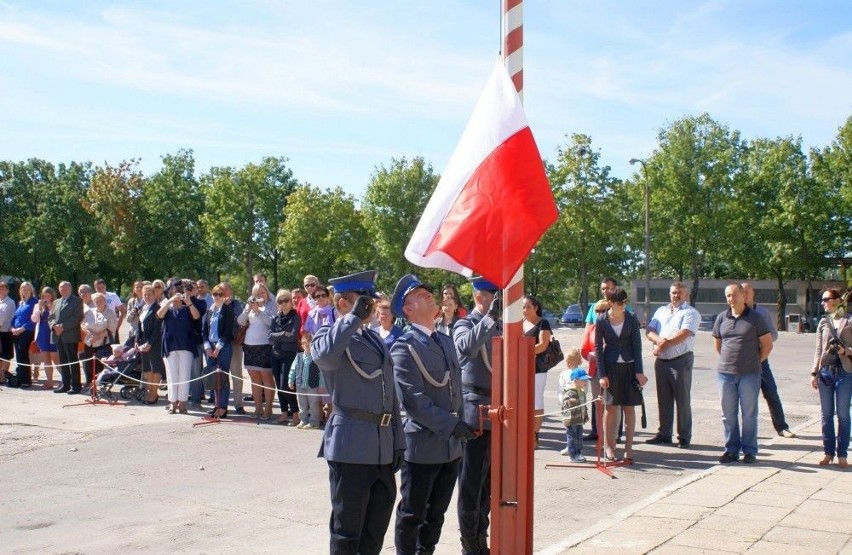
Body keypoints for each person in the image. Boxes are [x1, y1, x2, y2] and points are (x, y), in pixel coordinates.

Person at [310, 270, 404, 555]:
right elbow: (324, 357)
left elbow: (391, 396)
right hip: (351, 448)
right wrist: (351, 318)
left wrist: (398, 442)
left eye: (371, 300)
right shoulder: (329, 334)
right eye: (363, 300)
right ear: (341, 303)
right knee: (346, 532)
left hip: (382, 448)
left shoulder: (374, 339)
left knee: (374, 532)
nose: (371, 306)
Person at [389, 274, 472, 555]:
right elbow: (414, 401)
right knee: (413, 513)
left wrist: (460, 424)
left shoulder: (445, 341)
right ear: (407, 309)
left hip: (450, 447)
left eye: (428, 292)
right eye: (420, 294)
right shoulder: (404, 347)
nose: (428, 295)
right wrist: (453, 425)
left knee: (437, 514)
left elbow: (455, 391)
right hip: (422, 446)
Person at [453, 277, 501, 555]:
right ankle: (471, 543)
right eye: (490, 295)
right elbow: (467, 347)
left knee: (490, 484)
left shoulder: (500, 325)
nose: (495, 300)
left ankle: (482, 534)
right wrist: (491, 317)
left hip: (498, 411)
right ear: (477, 296)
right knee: (471, 485)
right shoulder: (465, 324)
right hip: (475, 414)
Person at [712, 283, 773, 464]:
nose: (732, 299)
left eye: (735, 295)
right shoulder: (722, 318)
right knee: (728, 415)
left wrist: (755, 361)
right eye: (728, 296)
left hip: (750, 374)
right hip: (725, 374)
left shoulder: (756, 318)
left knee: (749, 414)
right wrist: (728, 361)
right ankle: (731, 450)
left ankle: (749, 451)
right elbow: (718, 344)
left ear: (743, 296)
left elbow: (768, 344)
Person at [645, 281, 700, 449]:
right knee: (664, 400)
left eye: (679, 293)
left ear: (686, 295)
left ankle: (684, 436)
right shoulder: (661, 311)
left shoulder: (691, 313)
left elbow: (683, 334)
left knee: (682, 399)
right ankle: (664, 434)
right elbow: (649, 330)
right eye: (673, 292)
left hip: (680, 360)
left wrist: (662, 344)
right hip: (661, 361)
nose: (675, 295)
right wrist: (659, 341)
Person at [595, 287, 647, 463]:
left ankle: (629, 449)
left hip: (629, 367)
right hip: (610, 368)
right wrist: (602, 374)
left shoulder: (631, 319)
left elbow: (637, 346)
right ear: (610, 303)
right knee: (610, 408)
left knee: (629, 408)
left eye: (624, 302)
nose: (622, 306)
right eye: (618, 303)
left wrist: (639, 371)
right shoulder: (601, 320)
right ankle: (609, 446)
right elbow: (598, 349)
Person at [741, 282, 796, 439]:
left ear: (753, 293)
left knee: (771, 392)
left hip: (761, 359)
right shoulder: (735, 312)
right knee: (746, 397)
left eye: (746, 292)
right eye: (741, 292)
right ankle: (748, 431)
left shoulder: (762, 312)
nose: (744, 295)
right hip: (742, 362)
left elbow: (773, 334)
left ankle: (782, 427)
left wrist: (762, 342)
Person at [810, 288, 852, 468]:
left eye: (826, 299)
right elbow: (818, 349)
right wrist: (814, 372)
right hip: (825, 372)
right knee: (826, 415)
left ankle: (842, 455)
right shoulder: (822, 322)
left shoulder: (849, 320)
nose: (823, 302)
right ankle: (828, 453)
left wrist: (845, 351)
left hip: (845, 372)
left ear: (836, 301)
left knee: (843, 415)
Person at [157, 280, 200, 414]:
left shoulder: (187, 308)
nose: (177, 297)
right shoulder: (167, 308)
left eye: (179, 294)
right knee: (171, 375)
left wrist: (188, 302)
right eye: (175, 294)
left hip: (186, 345)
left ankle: (182, 402)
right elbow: (159, 315)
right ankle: (172, 402)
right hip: (170, 346)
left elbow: (197, 316)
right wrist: (169, 301)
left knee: (184, 375)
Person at [238, 283, 275, 420]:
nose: (259, 296)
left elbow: (272, 323)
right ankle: (258, 408)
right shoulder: (250, 307)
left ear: (267, 293)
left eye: (262, 293)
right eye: (256, 293)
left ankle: (268, 409)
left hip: (265, 346)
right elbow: (240, 321)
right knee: (255, 379)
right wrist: (248, 309)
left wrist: (258, 311)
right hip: (249, 346)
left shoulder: (271, 306)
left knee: (266, 378)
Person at [522, 294, 553, 449]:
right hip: (522, 367)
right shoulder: (521, 323)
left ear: (535, 308)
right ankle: (525, 434)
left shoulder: (543, 323)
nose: (525, 310)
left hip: (538, 368)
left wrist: (524, 351)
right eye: (523, 307)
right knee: (523, 401)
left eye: (528, 306)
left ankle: (535, 435)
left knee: (536, 400)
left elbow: (543, 345)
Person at [202, 283, 235, 419]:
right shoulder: (210, 310)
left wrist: (218, 348)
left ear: (225, 296)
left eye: (220, 294)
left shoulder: (227, 309)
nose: (217, 297)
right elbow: (204, 331)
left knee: (223, 378)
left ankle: (223, 407)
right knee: (214, 379)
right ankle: (217, 404)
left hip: (224, 347)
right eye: (215, 294)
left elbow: (228, 330)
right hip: (211, 347)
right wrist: (208, 347)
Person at [270, 289, 301, 425]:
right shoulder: (275, 318)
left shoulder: (295, 317)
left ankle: (295, 412)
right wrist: (284, 334)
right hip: (275, 354)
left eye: (286, 300)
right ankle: (283, 413)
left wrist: (278, 335)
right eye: (280, 301)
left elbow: (293, 336)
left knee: (286, 385)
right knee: (278, 385)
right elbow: (270, 336)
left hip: (289, 354)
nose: (283, 304)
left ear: (291, 301)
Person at [580, 300, 609, 442]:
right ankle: (597, 432)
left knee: (612, 403)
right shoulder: (591, 329)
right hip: (595, 370)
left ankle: (613, 434)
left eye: (603, 311)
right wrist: (589, 355)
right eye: (597, 311)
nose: (599, 314)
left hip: (611, 370)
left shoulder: (614, 327)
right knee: (597, 402)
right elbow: (584, 349)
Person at [48, 281, 84, 394]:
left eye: (65, 288)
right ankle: (65, 384)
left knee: (72, 361)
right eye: (61, 288)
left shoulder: (77, 301)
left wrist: (62, 327)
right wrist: (54, 326)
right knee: (63, 361)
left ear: (70, 289)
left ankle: (76, 386)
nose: (63, 290)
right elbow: (51, 317)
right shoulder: (56, 302)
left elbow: (77, 317)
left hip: (70, 335)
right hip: (58, 336)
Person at [81, 292, 118, 389]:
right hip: (89, 342)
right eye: (96, 301)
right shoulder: (89, 312)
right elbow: (82, 324)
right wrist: (91, 334)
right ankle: (90, 385)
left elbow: (112, 328)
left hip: (103, 343)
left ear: (105, 301)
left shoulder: (111, 313)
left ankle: (102, 384)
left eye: (100, 300)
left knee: (101, 365)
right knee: (88, 365)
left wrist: (98, 335)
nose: (98, 302)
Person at [558, 351, 591, 462]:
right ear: (576, 381)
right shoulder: (570, 390)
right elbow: (563, 396)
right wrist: (567, 402)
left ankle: (577, 451)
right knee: (572, 435)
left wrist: (585, 415)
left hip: (579, 417)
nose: (585, 382)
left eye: (569, 361)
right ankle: (573, 454)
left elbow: (584, 404)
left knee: (578, 435)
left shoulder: (581, 391)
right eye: (583, 380)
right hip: (571, 417)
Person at [136, 284, 165, 404]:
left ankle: (153, 395)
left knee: (155, 369)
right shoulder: (143, 307)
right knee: (147, 369)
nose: (146, 297)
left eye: (149, 294)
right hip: (143, 342)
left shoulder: (157, 308)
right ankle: (149, 393)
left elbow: (157, 329)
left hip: (154, 343)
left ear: (154, 295)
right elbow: (139, 326)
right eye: (144, 295)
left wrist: (149, 343)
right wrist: (137, 341)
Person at [289, 332, 324, 429]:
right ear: (302, 346)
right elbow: (293, 369)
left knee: (313, 405)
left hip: (312, 385)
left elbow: (321, 373)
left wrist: (321, 385)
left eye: (310, 346)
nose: (309, 348)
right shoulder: (299, 356)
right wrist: (291, 380)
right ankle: (303, 420)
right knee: (302, 404)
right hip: (300, 385)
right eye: (307, 346)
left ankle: (314, 422)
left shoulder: (316, 357)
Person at [10, 281, 37, 387]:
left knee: (23, 354)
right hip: (16, 332)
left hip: (27, 332)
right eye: (23, 289)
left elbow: (33, 319)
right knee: (19, 356)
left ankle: (26, 380)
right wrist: (12, 328)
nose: (25, 291)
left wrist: (22, 329)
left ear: (31, 290)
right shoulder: (21, 303)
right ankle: (20, 377)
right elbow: (15, 317)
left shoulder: (34, 301)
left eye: (27, 289)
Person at [32, 286, 60, 389]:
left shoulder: (56, 304)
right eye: (44, 296)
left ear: (52, 296)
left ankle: (67, 380)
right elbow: (34, 320)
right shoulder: (37, 305)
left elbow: (57, 318)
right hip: (42, 334)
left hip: (52, 334)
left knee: (56, 359)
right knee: (46, 359)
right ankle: (49, 382)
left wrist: (50, 307)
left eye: (48, 295)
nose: (46, 298)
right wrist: (39, 308)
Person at [0, 281, 17, 382]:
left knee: (5, 356)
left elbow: (2, 319)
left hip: (5, 333)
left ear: (7, 290)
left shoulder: (10, 302)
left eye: (3, 288)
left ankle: (3, 378)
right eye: (0, 288)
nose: (1, 290)